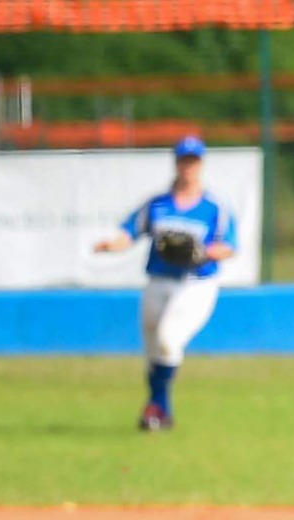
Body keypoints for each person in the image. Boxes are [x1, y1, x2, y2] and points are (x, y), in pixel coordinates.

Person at [93, 135, 236, 431]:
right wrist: (112, 244)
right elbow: (130, 232)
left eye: (193, 161)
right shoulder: (158, 205)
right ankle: (161, 410)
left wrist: (203, 253)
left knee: (168, 339)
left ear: (201, 165)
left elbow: (229, 246)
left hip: (194, 284)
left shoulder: (214, 208)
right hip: (158, 282)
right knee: (153, 353)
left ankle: (155, 407)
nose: (188, 167)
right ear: (176, 163)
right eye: (184, 160)